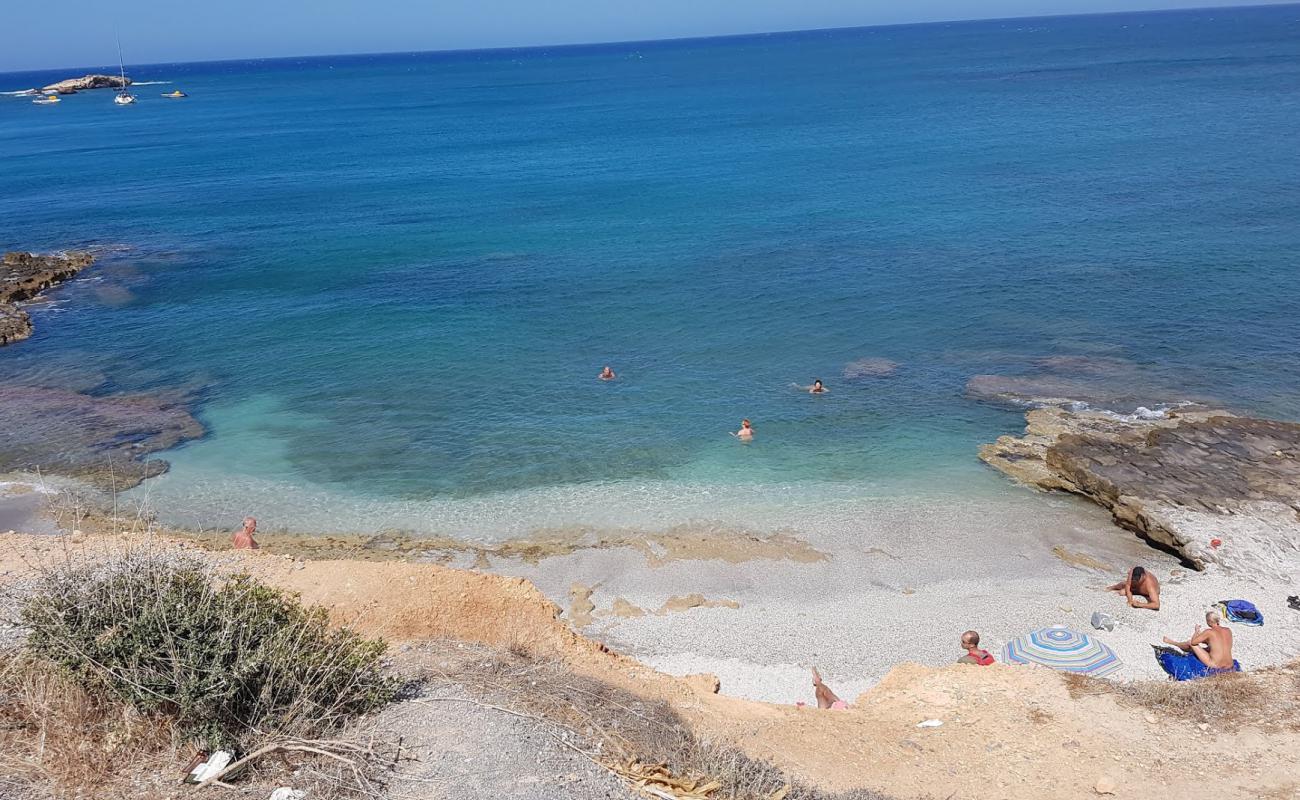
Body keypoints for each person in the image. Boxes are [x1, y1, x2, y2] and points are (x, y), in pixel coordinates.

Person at [1163, 611, 1235, 671]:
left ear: (1209, 621)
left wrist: (1196, 631)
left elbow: (1193, 642)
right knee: (1209, 647)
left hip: (1215, 664)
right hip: (1230, 664)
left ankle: (1173, 643)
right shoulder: (1228, 630)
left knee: (1190, 644)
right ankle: (1181, 646)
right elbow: (1220, 643)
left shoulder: (1209, 632)